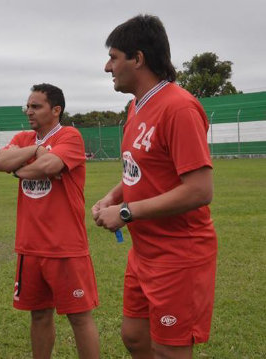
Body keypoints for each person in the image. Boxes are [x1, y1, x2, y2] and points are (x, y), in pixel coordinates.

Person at [92, 15, 218, 359]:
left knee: (168, 349)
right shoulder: (135, 107)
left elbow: (199, 190)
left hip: (179, 255)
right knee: (134, 336)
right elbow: (141, 169)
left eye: (114, 57)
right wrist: (113, 196)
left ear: (138, 58)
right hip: (144, 251)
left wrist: (127, 212)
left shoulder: (179, 108)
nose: (108, 67)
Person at [0, 83, 100, 359]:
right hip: (29, 247)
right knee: (39, 315)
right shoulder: (25, 137)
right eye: (27, 106)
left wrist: (18, 169)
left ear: (56, 110)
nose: (29, 111)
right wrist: (34, 151)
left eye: (36, 106)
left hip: (65, 248)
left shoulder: (70, 136)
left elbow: (49, 167)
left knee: (79, 317)